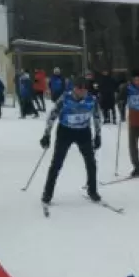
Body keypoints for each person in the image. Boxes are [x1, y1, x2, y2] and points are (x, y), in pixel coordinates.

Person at [40, 77, 103, 206]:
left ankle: (92, 190)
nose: (82, 91)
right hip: (65, 132)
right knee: (57, 163)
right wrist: (46, 134)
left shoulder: (92, 100)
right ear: (74, 88)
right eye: (79, 88)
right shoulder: (65, 98)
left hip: (83, 132)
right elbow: (52, 116)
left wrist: (98, 135)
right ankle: (47, 192)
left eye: (84, 88)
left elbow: (97, 117)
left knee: (91, 162)